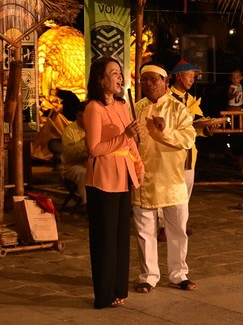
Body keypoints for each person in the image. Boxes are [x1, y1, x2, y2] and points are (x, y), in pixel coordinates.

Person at [83, 57, 144, 309]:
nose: (119, 77)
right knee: (104, 238)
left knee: (120, 237)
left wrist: (139, 165)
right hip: (102, 178)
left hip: (123, 175)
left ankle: (119, 289)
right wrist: (124, 136)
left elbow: (130, 142)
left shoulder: (121, 105)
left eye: (120, 72)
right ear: (100, 79)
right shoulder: (93, 108)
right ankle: (103, 295)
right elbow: (94, 148)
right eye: (113, 73)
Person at [132, 62, 197, 293]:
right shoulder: (135, 108)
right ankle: (148, 276)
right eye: (144, 80)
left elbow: (188, 139)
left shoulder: (178, 109)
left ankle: (179, 274)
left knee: (178, 229)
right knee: (145, 231)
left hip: (173, 179)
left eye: (154, 80)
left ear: (166, 82)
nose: (149, 84)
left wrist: (164, 131)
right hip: (144, 178)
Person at [155, 59, 215, 241]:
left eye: (194, 77)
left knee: (185, 190)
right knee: (165, 189)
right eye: (190, 76)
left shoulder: (190, 100)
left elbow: (195, 125)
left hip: (188, 153)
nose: (192, 80)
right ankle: (162, 226)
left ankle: (180, 223)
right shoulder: (165, 97)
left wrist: (206, 129)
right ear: (178, 76)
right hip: (170, 152)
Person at [60, 101, 88, 211]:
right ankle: (88, 205)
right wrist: (84, 142)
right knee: (83, 173)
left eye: (85, 116)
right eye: (80, 116)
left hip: (90, 163)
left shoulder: (93, 127)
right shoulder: (69, 131)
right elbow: (69, 154)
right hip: (71, 167)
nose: (83, 119)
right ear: (76, 115)